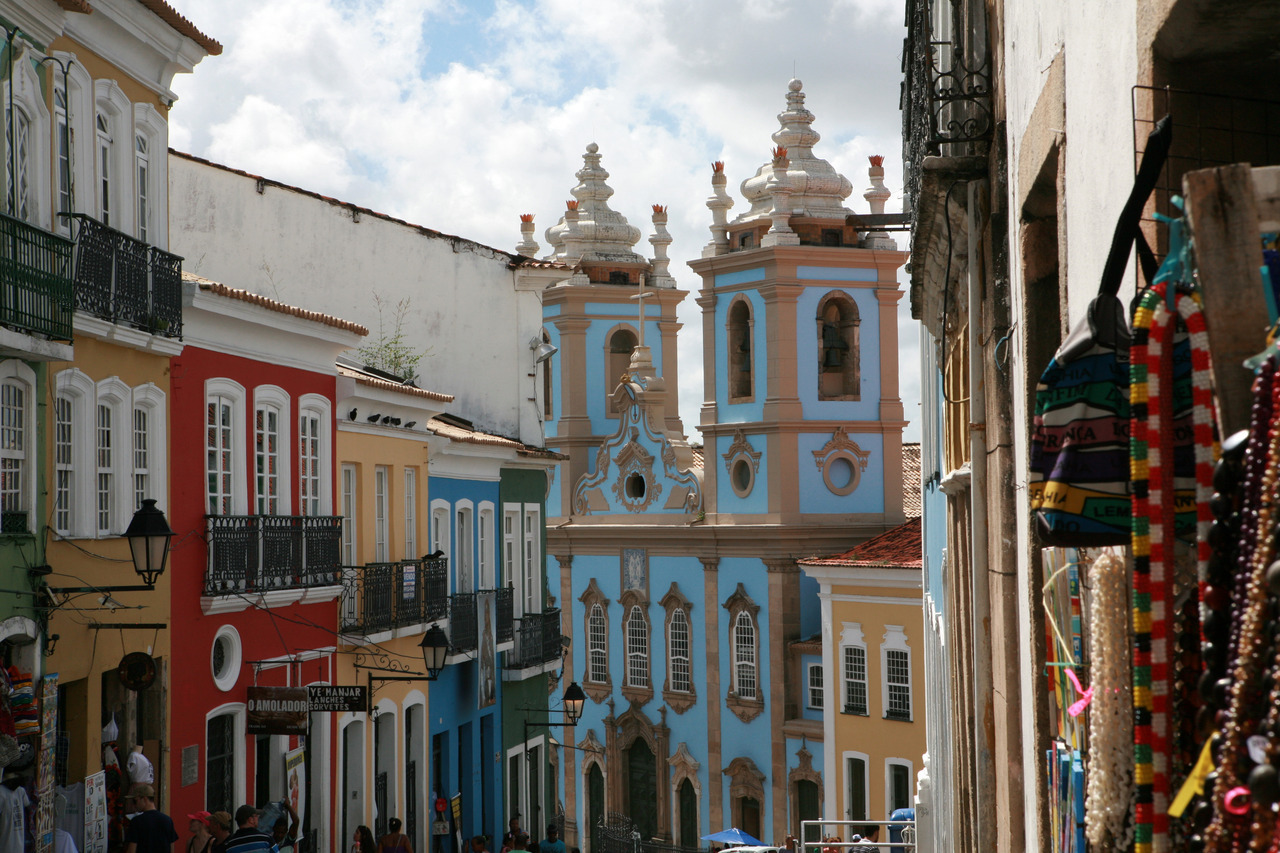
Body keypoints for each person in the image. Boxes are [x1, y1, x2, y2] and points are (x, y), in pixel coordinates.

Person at [123, 785, 178, 853]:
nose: (134, 805)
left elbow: (131, 850)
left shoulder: (137, 821)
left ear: (144, 799)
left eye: (135, 801)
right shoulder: (168, 820)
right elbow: (172, 848)